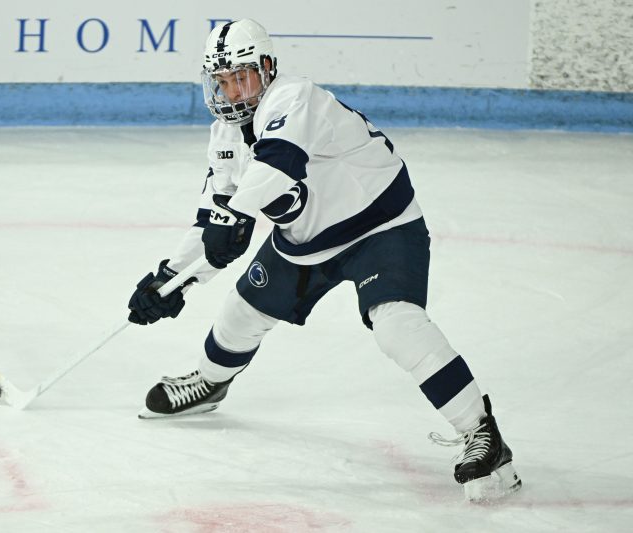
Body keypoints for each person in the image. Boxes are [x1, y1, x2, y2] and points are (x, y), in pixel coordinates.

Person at [126, 19, 521, 500]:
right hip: (306, 240)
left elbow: (276, 167)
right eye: (222, 80)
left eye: (241, 77)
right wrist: (170, 279)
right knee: (240, 314)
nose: (231, 91)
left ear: (267, 68)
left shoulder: (295, 99)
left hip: (380, 227)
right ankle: (209, 384)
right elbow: (213, 219)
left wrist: (232, 220)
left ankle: (481, 432)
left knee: (396, 325)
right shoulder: (224, 137)